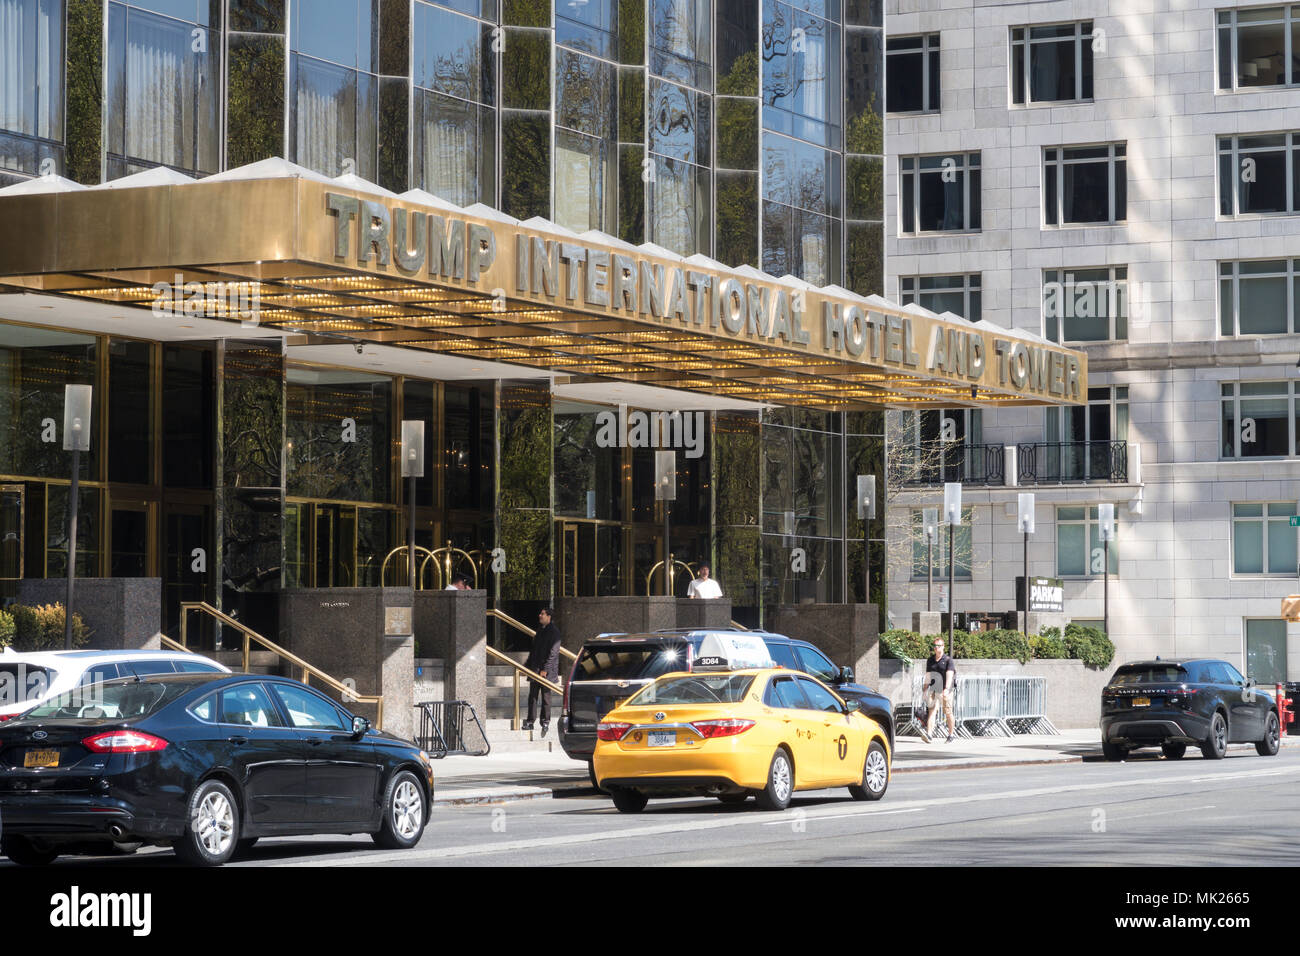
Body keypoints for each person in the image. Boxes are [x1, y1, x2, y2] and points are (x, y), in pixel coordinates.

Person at [523, 607, 562, 735]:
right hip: (535, 668)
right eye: (540, 613)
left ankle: (545, 722)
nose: (540, 615)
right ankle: (530, 721)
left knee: (546, 697)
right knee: (532, 696)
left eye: (543, 614)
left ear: (549, 616)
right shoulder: (540, 630)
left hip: (547, 671)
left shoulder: (554, 632)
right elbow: (534, 650)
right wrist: (527, 666)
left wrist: (545, 669)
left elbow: (553, 653)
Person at [921, 637, 957, 744]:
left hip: (945, 690)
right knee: (931, 712)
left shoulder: (948, 660)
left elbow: (949, 675)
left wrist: (946, 689)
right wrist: (925, 689)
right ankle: (929, 735)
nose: (937, 648)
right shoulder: (930, 660)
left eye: (939, 646)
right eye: (935, 646)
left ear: (943, 647)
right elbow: (928, 675)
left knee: (948, 712)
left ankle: (951, 734)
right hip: (933, 689)